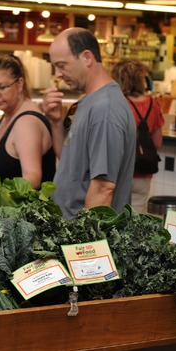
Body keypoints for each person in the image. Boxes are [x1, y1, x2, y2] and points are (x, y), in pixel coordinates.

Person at [42, 27, 137, 219]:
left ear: (87, 57)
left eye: (62, 65)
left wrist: (85, 244)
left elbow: (103, 188)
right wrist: (55, 121)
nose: (58, 73)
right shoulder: (85, 103)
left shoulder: (105, 109)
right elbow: (69, 161)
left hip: (81, 239)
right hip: (68, 230)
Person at [0, 54, 56, 189]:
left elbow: (33, 178)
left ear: (20, 84)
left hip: (22, 209)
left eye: (2, 87)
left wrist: (2, 199)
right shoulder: (9, 114)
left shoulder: (27, 122)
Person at [111, 59, 164, 213]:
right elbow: (157, 142)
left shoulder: (116, 103)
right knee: (135, 220)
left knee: (114, 218)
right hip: (143, 171)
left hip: (118, 171)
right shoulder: (154, 105)